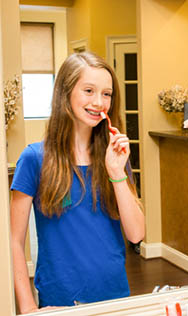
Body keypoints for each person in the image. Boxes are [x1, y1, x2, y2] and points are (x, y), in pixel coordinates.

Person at [10, 52, 145, 313]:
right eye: (89, 91)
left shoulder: (115, 157)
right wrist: (27, 307)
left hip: (116, 298)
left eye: (107, 94)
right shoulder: (34, 159)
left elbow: (137, 234)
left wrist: (117, 173)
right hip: (60, 302)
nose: (99, 102)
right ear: (65, 93)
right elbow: (15, 241)